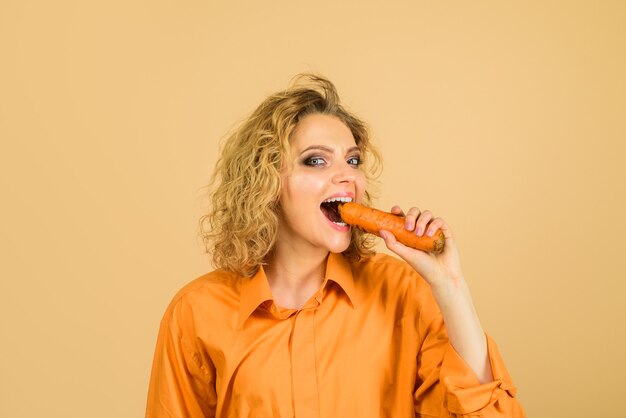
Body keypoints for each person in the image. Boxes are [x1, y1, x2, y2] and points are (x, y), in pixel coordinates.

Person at [146, 74, 525, 417]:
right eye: (316, 161)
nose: (346, 176)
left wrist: (451, 287)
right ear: (267, 182)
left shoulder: (403, 292)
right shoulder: (196, 312)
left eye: (353, 160)